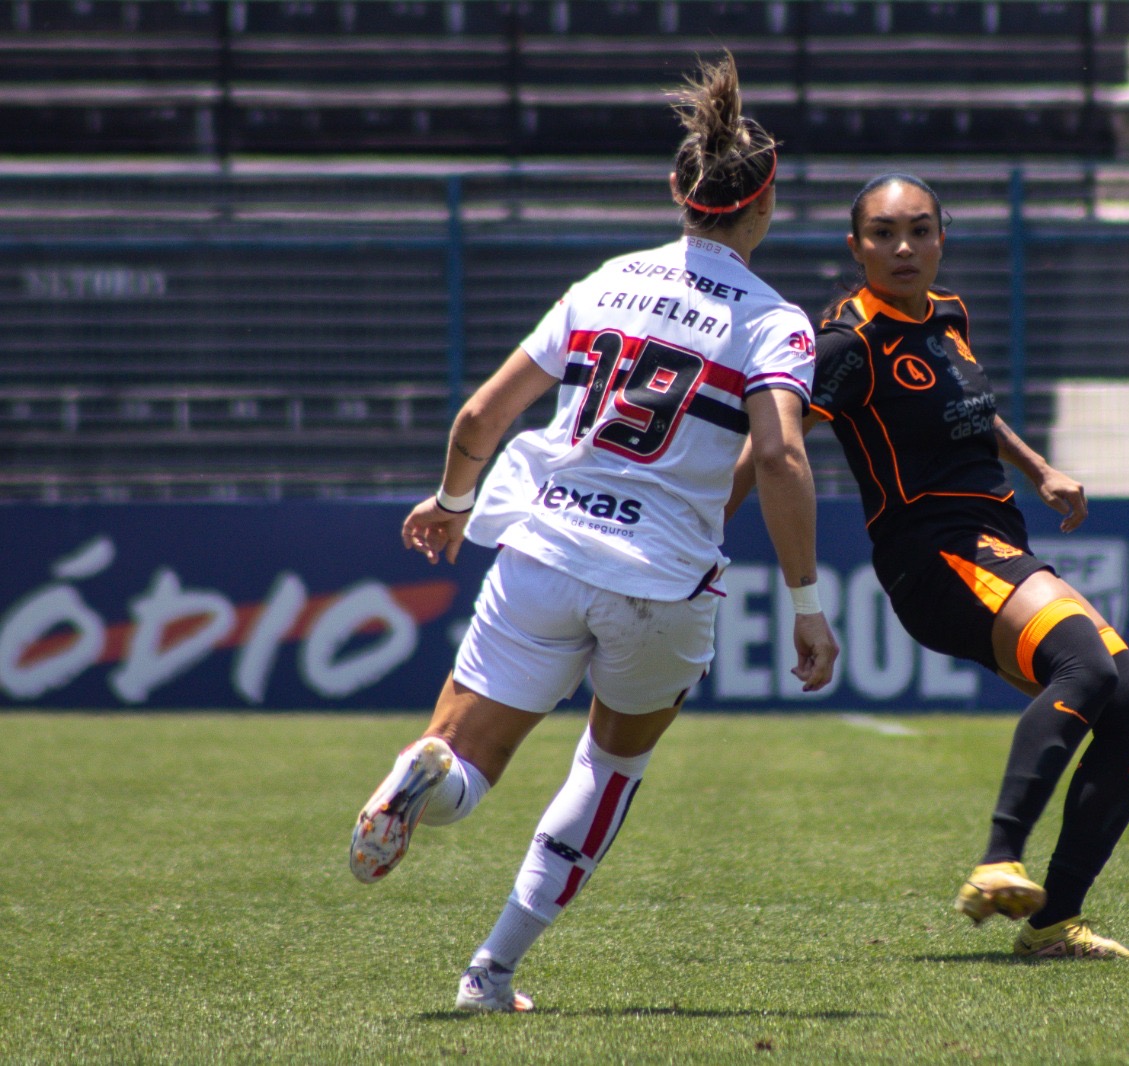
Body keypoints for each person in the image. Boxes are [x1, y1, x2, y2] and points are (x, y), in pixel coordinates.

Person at [347, 55, 839, 1012]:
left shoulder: (605, 283)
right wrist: (806, 604)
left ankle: (424, 774)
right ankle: (489, 972)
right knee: (611, 767)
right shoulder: (775, 323)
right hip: (659, 584)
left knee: (470, 764)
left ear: (677, 190)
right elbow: (780, 458)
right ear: (764, 203)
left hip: (542, 548)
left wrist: (451, 504)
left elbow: (480, 419)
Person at [793, 173, 1129, 958]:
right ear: (855, 246)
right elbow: (775, 444)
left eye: (920, 230)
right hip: (933, 554)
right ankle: (999, 858)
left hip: (996, 539)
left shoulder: (948, 315)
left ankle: (1055, 923)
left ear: (941, 238)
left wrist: (1039, 471)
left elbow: (972, 410)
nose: (904, 247)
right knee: (1086, 672)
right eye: (885, 233)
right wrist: (714, 535)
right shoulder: (846, 342)